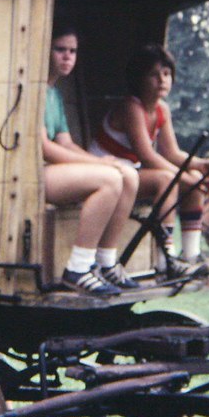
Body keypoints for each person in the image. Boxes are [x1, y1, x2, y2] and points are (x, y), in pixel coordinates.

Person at [88, 43, 209, 275]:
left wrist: (200, 165)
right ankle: (165, 258)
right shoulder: (131, 107)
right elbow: (147, 156)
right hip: (104, 174)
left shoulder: (162, 109)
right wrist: (187, 181)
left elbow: (171, 153)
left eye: (167, 74)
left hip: (129, 175)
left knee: (191, 177)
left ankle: (191, 254)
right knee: (167, 179)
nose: (162, 80)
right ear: (138, 79)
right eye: (154, 74)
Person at [43, 27, 141, 296]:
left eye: (72, 51)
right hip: (36, 175)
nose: (67, 57)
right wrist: (99, 167)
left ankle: (106, 262)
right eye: (60, 50)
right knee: (109, 179)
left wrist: (101, 160)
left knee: (128, 174)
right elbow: (46, 149)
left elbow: (65, 142)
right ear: (46, 50)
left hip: (55, 171)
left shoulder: (55, 93)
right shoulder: (36, 90)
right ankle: (77, 268)